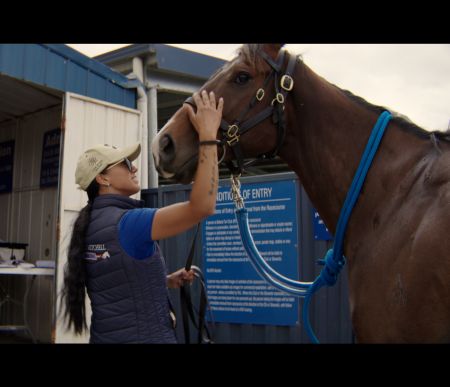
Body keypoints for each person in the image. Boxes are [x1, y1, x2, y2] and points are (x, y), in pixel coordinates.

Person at [61, 90, 223, 343]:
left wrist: (165, 280)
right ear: (102, 179)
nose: (134, 166)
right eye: (125, 162)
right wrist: (208, 135)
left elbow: (116, 281)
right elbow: (201, 207)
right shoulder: (127, 223)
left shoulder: (90, 223)